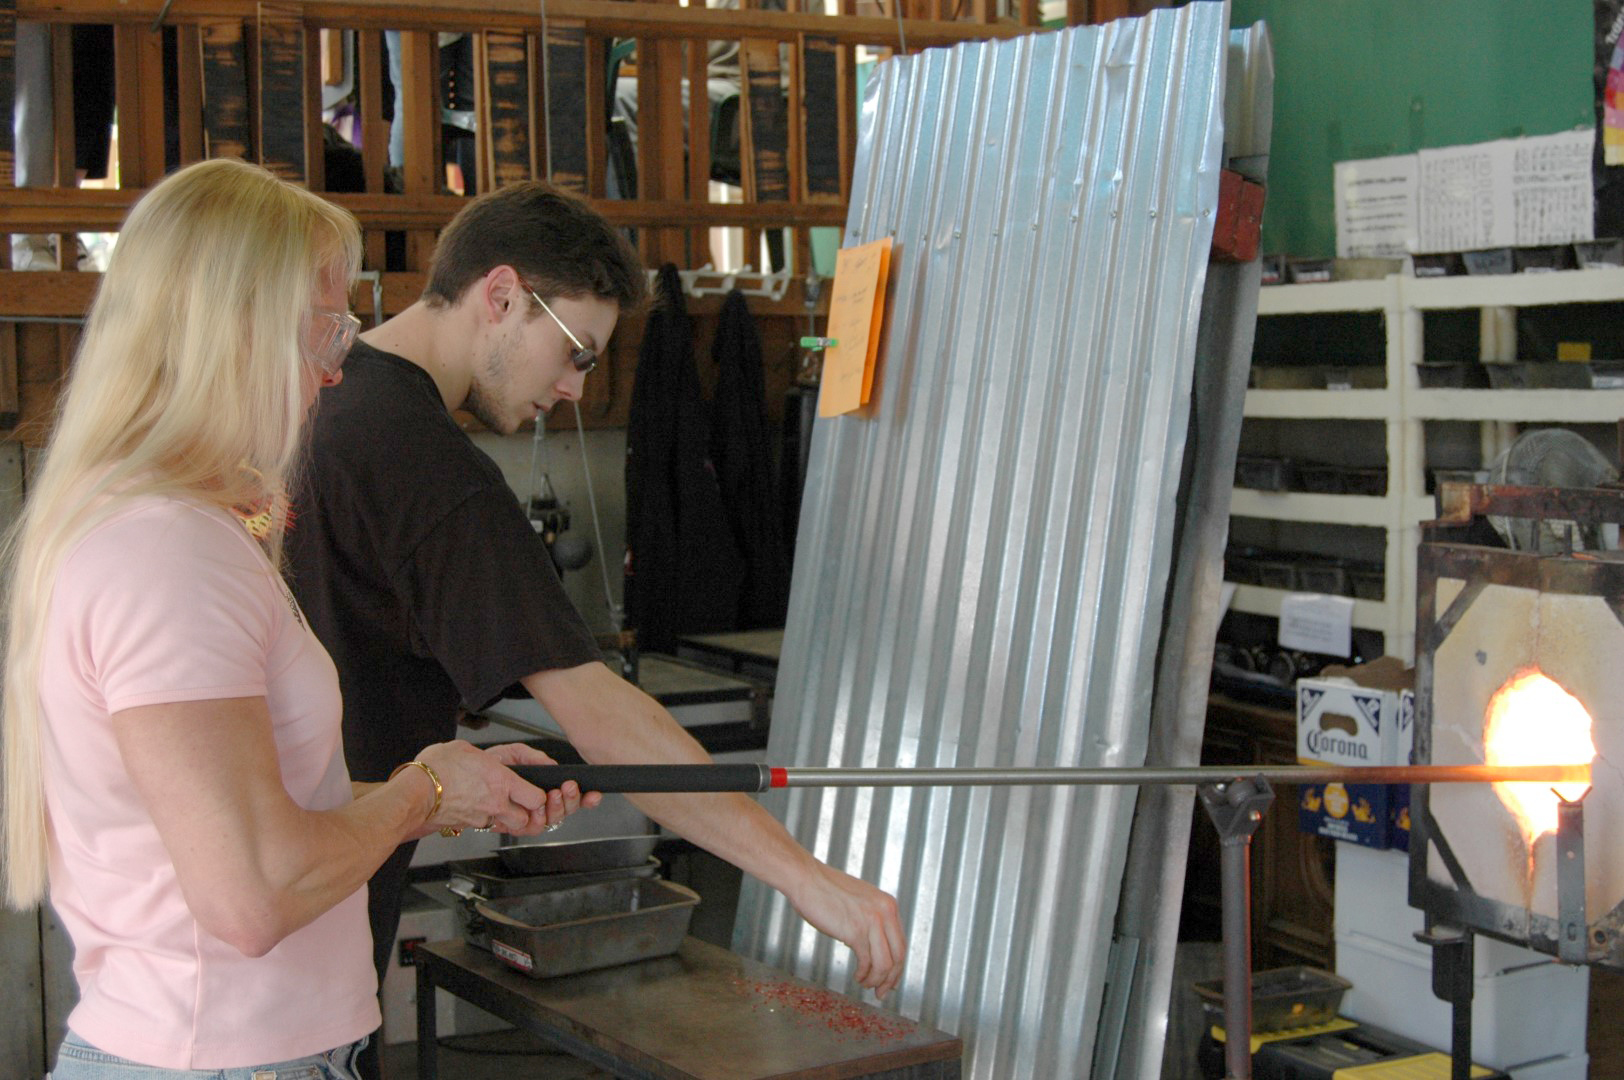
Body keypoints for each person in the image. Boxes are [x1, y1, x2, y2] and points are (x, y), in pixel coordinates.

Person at [286, 180, 906, 1077]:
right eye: (574, 351)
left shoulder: (326, 403)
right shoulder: (426, 461)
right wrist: (811, 882)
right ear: (500, 295)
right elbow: (599, 711)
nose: (575, 390)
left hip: (251, 907)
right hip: (303, 953)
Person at [0, 158, 583, 1079]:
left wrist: (434, 785)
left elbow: (253, 821)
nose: (335, 370)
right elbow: (253, 891)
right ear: (233, 329)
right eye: (326, 329)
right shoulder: (168, 555)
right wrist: (422, 798)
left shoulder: (176, 530)